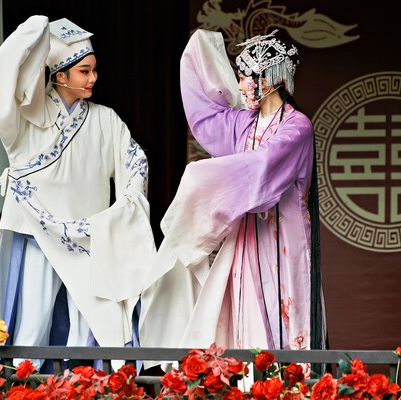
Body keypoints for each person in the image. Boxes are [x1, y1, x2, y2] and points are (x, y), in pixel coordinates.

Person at [0, 16, 156, 371]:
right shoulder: (24, 117)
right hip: (37, 235)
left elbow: (134, 159)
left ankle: (85, 388)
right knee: (32, 321)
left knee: (92, 323)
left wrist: (126, 204)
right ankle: (19, 387)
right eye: (84, 71)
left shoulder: (106, 119)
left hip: (89, 237)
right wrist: (31, 31)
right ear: (60, 75)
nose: (93, 78)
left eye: (94, 70)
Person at [139, 29, 326, 359]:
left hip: (285, 238)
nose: (240, 87)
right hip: (248, 238)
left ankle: (293, 379)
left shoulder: (297, 127)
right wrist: (201, 50)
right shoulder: (243, 123)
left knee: (287, 308)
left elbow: (262, 166)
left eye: (244, 78)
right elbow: (206, 115)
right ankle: (254, 381)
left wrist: (201, 176)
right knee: (246, 312)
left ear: (267, 80)